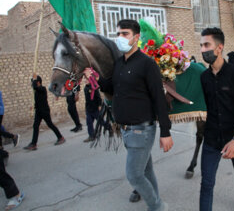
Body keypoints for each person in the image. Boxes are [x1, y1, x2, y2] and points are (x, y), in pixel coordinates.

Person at [84, 19, 173, 211]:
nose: (120, 38)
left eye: (125, 34)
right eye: (118, 34)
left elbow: (159, 98)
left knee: (133, 175)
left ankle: (158, 207)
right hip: (126, 130)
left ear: (136, 37)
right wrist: (94, 76)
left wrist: (165, 132)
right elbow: (110, 88)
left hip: (141, 130)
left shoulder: (147, 64)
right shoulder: (119, 64)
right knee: (146, 171)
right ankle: (156, 202)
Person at [199, 27, 234, 211]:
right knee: (207, 183)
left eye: (207, 45)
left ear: (219, 47)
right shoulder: (203, 77)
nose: (202, 50)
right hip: (211, 139)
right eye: (201, 45)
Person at [23, 74, 66, 150]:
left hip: (44, 111)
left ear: (38, 82)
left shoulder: (43, 89)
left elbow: (36, 87)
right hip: (38, 111)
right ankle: (33, 144)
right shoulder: (36, 91)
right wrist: (33, 107)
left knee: (50, 124)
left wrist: (34, 80)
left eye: (34, 82)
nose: (32, 84)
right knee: (35, 126)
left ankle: (60, 137)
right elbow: (37, 101)